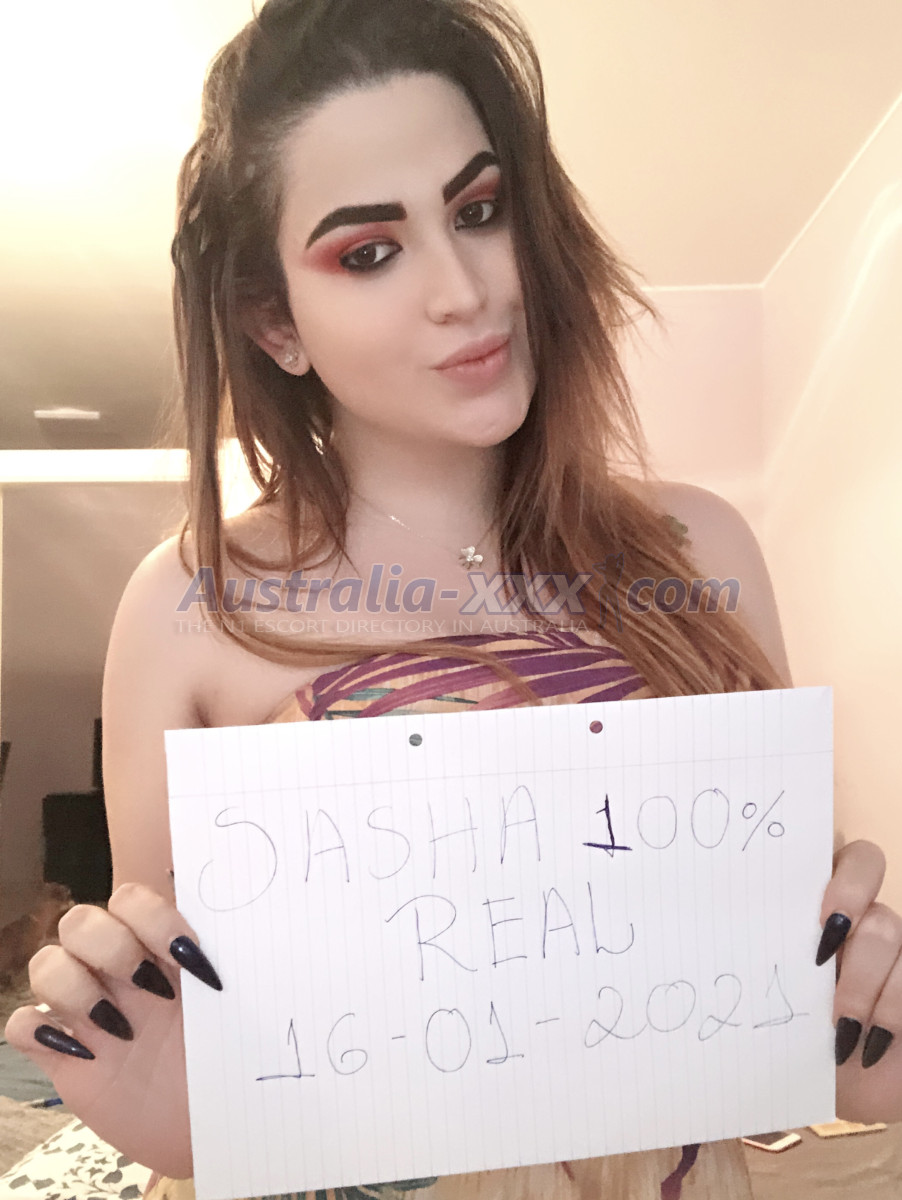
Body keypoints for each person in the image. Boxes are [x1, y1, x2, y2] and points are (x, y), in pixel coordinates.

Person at [6, 0, 901, 1196]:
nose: (464, 288)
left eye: (478, 211)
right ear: (273, 322)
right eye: (367, 253)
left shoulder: (703, 548)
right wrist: (170, 1118)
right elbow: (196, 1056)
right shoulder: (188, 602)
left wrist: (850, 1042)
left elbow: (774, 983)